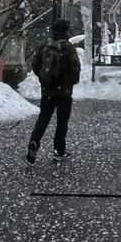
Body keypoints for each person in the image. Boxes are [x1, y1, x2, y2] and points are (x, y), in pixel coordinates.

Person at [26, 18, 81, 163]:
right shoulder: (69, 47)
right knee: (62, 121)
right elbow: (75, 67)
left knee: (43, 119)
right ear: (66, 30)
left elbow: (35, 63)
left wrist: (44, 78)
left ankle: (34, 142)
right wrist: (71, 81)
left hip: (48, 90)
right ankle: (59, 150)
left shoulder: (45, 45)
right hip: (64, 92)